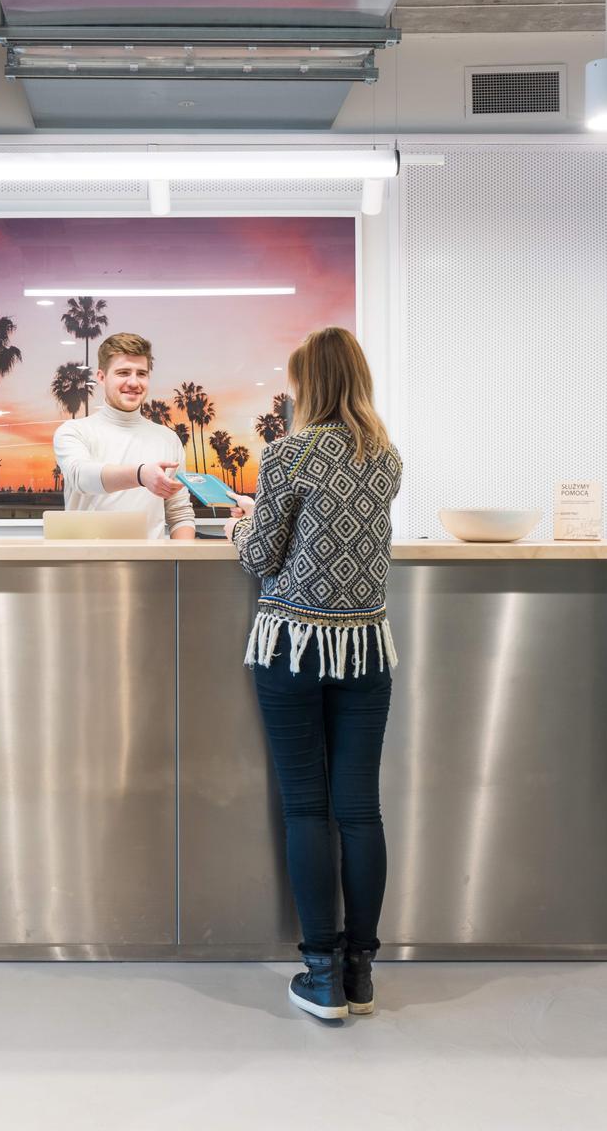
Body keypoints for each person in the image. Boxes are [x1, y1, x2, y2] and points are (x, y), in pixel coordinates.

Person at [227, 326, 402, 1021]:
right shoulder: (385, 457)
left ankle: (321, 975)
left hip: (292, 647)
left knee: (306, 807)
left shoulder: (287, 452)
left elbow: (260, 557)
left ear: (309, 385)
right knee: (359, 810)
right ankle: (360, 973)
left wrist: (240, 526)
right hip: (363, 649)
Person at [52, 332, 197, 540]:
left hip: (150, 560)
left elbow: (180, 514)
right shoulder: (74, 431)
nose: (134, 382)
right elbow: (80, 476)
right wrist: (140, 475)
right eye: (123, 373)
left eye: (141, 373)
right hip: (85, 559)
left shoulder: (168, 439)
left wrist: (182, 559)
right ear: (101, 377)